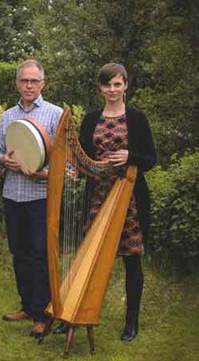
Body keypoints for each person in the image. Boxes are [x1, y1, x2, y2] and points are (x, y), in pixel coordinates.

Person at [79, 63, 156, 341]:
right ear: (100, 88)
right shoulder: (90, 119)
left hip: (130, 198)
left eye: (117, 84)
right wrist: (75, 168)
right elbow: (83, 158)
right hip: (98, 196)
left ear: (125, 86)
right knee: (91, 259)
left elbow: (151, 159)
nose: (112, 90)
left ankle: (131, 323)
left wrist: (129, 156)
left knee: (132, 261)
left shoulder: (137, 118)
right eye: (107, 85)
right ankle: (80, 313)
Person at [0, 59, 62, 337]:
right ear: (17, 83)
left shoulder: (55, 115)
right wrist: (3, 161)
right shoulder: (7, 116)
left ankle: (43, 314)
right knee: (19, 252)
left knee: (38, 254)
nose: (29, 85)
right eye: (24, 80)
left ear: (43, 83)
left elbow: (65, 164)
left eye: (34, 81)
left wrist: (42, 173)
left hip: (40, 196)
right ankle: (28, 306)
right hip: (12, 195)